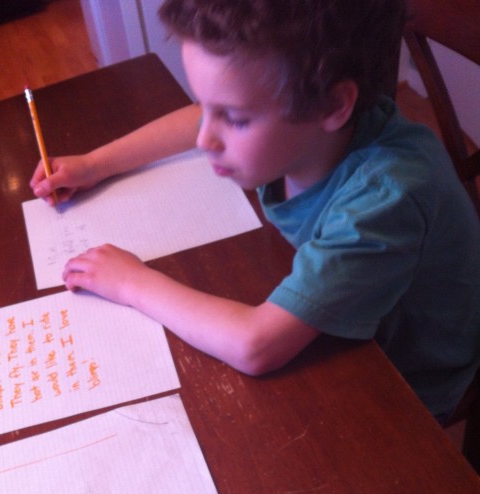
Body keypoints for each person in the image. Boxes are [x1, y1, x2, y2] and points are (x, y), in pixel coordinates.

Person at [30, 0, 480, 422]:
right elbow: (198, 119)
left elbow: (255, 346)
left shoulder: (385, 200)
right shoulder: (303, 132)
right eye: (208, 107)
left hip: (410, 380)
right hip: (352, 323)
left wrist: (131, 282)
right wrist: (96, 164)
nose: (206, 138)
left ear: (332, 105)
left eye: (235, 119)